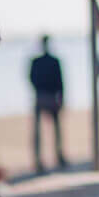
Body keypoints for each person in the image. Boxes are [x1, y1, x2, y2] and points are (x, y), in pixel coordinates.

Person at [28, 35, 68, 173]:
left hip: (46, 96)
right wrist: (60, 96)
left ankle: (56, 156)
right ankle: (41, 160)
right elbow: (31, 78)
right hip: (45, 96)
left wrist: (61, 97)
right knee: (43, 131)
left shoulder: (49, 61)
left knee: (53, 130)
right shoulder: (41, 61)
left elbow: (60, 81)